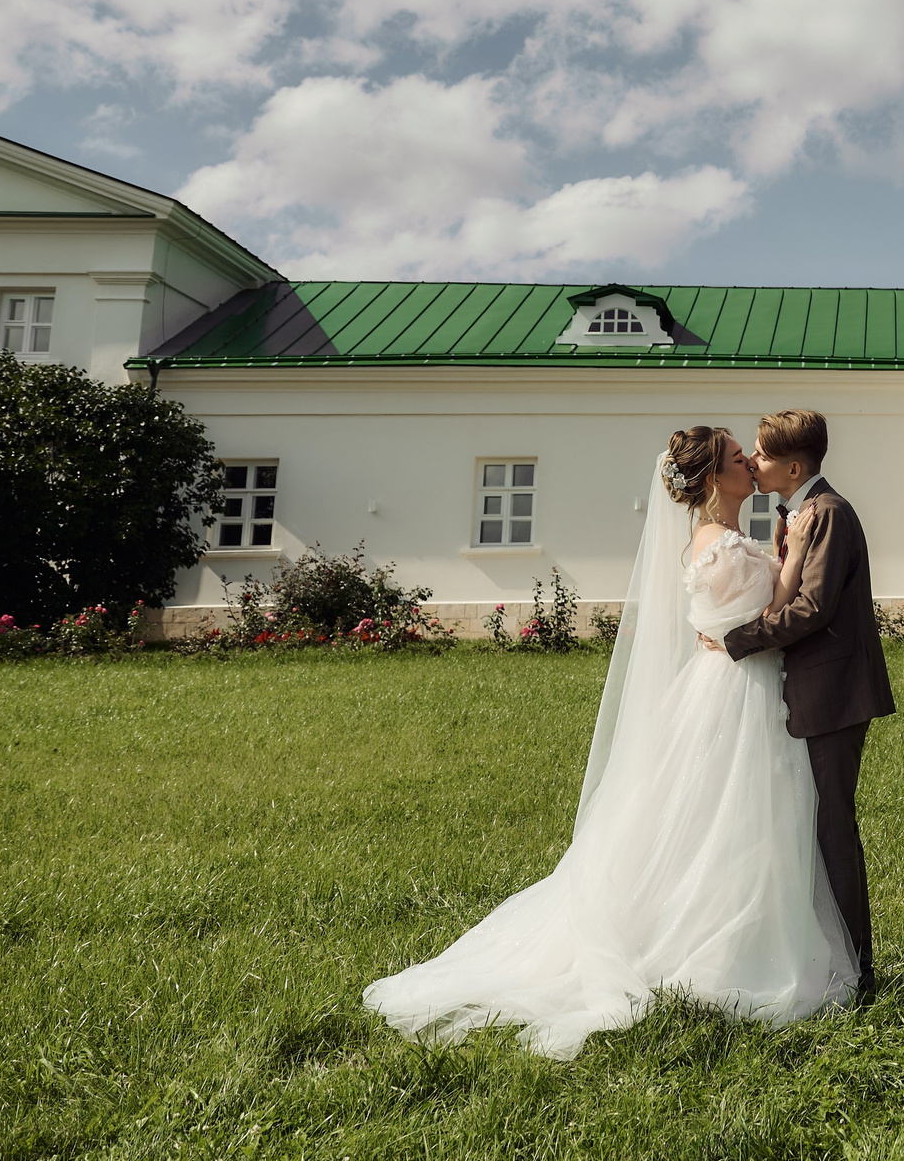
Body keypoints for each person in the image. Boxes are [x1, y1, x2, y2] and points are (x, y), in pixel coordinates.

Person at [362, 426, 860, 1058]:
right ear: (714, 479)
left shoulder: (728, 540)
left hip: (746, 688)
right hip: (738, 692)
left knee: (740, 823)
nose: (752, 465)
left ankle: (750, 930)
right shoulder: (720, 549)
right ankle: (720, 947)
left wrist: (783, 551)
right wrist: (786, 559)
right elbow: (769, 614)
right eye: (740, 458)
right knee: (733, 818)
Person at [705, 409, 897, 1000]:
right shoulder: (796, 512)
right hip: (806, 687)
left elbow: (813, 608)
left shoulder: (831, 514)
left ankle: (860, 972)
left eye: (760, 455)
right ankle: (822, 955)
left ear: (792, 466)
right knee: (809, 824)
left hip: (835, 692)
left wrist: (737, 640)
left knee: (833, 826)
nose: (752, 464)